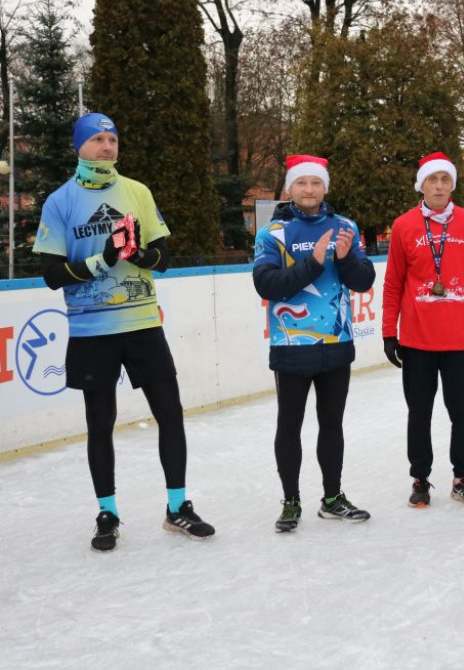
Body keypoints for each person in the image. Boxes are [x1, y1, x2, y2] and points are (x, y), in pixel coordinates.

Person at [32, 113, 215, 551]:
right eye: (97, 139)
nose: (107, 146)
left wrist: (137, 253)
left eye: (112, 139)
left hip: (143, 324)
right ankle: (108, 513)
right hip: (91, 329)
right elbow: (51, 273)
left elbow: (163, 257)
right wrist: (103, 260)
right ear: (79, 146)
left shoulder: (137, 192)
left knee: (170, 414)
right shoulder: (60, 201)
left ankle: (177, 507)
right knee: (100, 424)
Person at [252, 155, 376, 532]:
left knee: (332, 424)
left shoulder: (346, 227)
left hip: (336, 344)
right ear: (290, 188)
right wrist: (315, 262)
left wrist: (345, 258)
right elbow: (266, 284)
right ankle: (291, 501)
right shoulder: (272, 232)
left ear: (326, 187)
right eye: (302, 183)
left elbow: (363, 280)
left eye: (316, 183)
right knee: (289, 426)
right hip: (291, 346)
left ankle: (333, 498)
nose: (309, 190)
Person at [381, 152, 464, 508]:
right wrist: (390, 333)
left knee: (463, 414)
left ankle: (462, 479)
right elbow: (392, 285)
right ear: (422, 185)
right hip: (417, 341)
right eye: (432, 180)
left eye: (445, 180)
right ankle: (420, 478)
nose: (439, 186)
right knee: (420, 413)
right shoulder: (404, 226)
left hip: (459, 340)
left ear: (453, 185)